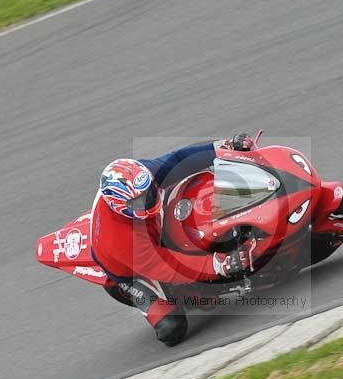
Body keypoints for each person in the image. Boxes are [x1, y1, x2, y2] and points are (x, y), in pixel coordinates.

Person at [91, 133, 256, 346]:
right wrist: (220, 264)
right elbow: (167, 266)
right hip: (133, 270)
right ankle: (155, 294)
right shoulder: (118, 238)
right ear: (121, 207)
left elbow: (178, 160)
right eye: (140, 200)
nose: (149, 198)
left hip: (151, 228)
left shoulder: (141, 175)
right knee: (172, 330)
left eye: (149, 191)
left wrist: (224, 147)